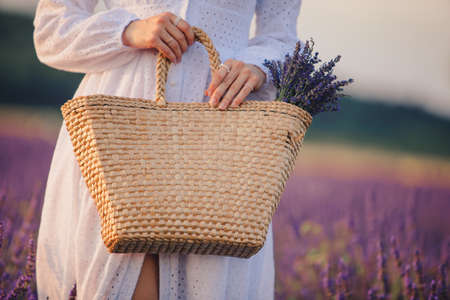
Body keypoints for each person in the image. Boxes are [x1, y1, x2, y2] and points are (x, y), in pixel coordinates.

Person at [33, 0, 303, 298]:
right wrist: (128, 30)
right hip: (117, 132)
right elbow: (51, 29)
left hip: (221, 139)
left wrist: (259, 65)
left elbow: (280, 39)